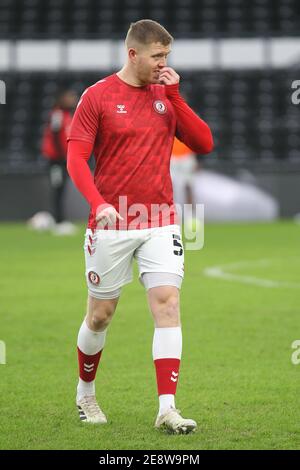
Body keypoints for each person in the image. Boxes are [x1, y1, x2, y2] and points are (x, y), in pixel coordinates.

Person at [67, 19, 213, 434]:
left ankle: (167, 407)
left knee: (167, 303)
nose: (163, 63)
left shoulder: (166, 96)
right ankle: (85, 393)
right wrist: (98, 204)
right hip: (111, 221)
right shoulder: (97, 96)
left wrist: (176, 96)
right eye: (157, 56)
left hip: (160, 220)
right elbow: (76, 160)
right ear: (133, 54)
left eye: (167, 56)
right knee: (100, 315)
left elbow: (204, 143)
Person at [41, 89, 78, 234]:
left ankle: (60, 220)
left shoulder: (67, 115)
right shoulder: (57, 114)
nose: (73, 100)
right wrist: (62, 156)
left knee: (61, 190)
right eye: (70, 97)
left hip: (63, 159)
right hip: (56, 161)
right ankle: (58, 222)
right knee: (57, 189)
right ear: (62, 98)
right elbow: (55, 135)